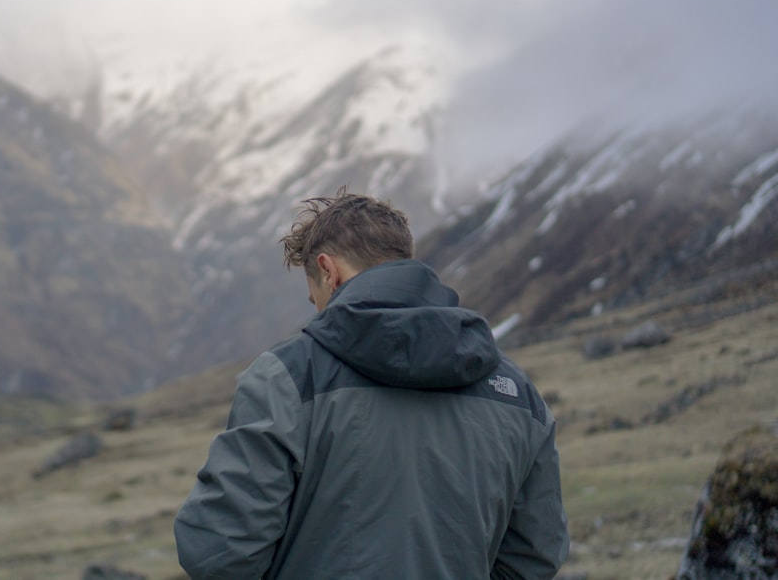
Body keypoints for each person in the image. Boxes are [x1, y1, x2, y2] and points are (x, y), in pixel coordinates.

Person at [174, 190, 569, 579]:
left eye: (314, 299)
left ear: (328, 271)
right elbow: (535, 554)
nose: (315, 311)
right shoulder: (516, 391)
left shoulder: (288, 377)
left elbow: (220, 552)